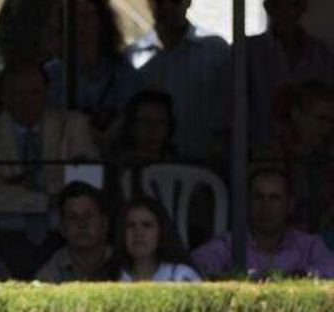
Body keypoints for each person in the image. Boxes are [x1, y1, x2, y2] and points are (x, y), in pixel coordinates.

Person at [0, 62, 99, 277]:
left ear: (46, 92)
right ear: (3, 95)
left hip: (62, 234)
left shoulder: (74, 126)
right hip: (1, 235)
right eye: (17, 93)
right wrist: (49, 198)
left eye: (34, 92)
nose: (26, 101)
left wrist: (20, 186)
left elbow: (87, 184)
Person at [123, 0, 229, 163]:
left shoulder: (214, 51)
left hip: (206, 167)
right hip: (148, 167)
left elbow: (228, 114)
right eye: (160, 2)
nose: (167, 7)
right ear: (150, 4)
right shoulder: (133, 57)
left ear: (188, 2)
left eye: (175, 1)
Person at [191, 167, 334, 279]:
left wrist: (290, 277)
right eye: (259, 197)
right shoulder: (230, 244)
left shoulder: (309, 245)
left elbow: (330, 268)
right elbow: (195, 266)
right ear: (247, 203)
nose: (266, 207)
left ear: (289, 205)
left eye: (275, 198)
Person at [43, 0, 138, 138]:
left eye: (89, 16)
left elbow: (132, 109)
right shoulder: (50, 75)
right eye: (76, 17)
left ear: (101, 21)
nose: (82, 24)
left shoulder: (121, 71)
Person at [245, 0, 334, 147]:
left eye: (295, 3)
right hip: (261, 156)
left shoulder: (322, 55)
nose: (290, 11)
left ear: (304, 7)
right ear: (268, 6)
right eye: (282, 3)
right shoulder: (248, 53)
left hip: (313, 158)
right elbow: (228, 115)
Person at [274, 80, 334, 235]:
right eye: (321, 119)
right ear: (297, 115)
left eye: (331, 121)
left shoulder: (328, 162)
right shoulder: (272, 161)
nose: (328, 128)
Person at [35, 181, 112, 281]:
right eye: (73, 218)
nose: (82, 224)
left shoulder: (122, 265)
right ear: (62, 227)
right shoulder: (50, 273)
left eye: (89, 216)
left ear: (105, 223)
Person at [113, 196, 198, 282]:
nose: (138, 232)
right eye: (131, 225)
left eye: (147, 225)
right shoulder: (111, 277)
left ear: (162, 231)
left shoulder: (181, 275)